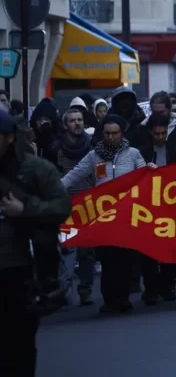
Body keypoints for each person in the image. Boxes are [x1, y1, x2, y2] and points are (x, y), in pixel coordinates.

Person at [0, 109, 72, 377]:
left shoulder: (34, 169)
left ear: (8, 138)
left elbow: (62, 206)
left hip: (20, 270)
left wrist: (25, 208)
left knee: (18, 344)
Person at [61, 115, 147, 313]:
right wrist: (55, 188)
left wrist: (152, 171)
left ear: (121, 134)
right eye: (107, 133)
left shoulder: (133, 154)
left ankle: (123, 298)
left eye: (115, 133)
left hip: (127, 215)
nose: (111, 137)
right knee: (107, 259)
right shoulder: (94, 156)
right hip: (104, 216)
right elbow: (75, 174)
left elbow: (146, 176)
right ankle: (109, 300)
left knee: (125, 258)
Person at [137, 112, 176, 305]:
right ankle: (151, 288)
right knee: (148, 251)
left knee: (171, 247)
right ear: (150, 132)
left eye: (163, 133)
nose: (160, 137)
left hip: (171, 206)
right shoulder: (141, 152)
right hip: (148, 207)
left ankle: (168, 285)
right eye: (156, 133)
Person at [53, 108, 96, 306]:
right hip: (66, 205)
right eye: (72, 120)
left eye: (80, 120)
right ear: (65, 125)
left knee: (87, 250)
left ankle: (85, 289)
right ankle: (64, 288)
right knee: (66, 248)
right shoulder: (57, 149)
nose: (77, 123)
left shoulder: (93, 147)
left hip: (88, 204)